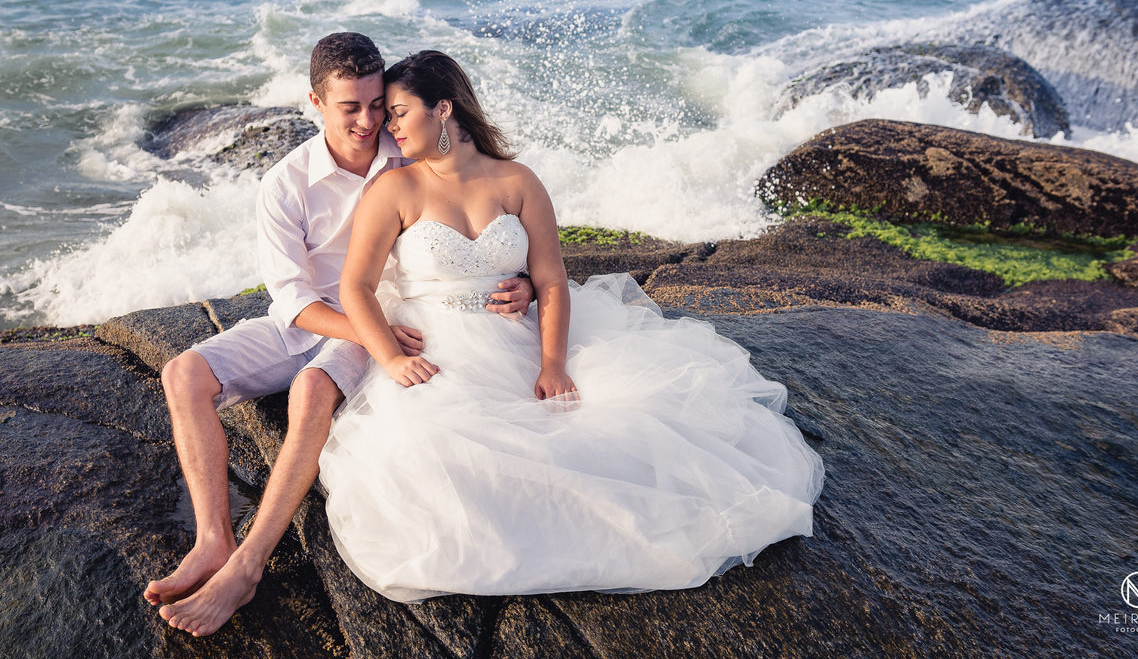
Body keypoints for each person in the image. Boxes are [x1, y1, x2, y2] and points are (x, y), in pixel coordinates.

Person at [321, 50, 824, 602]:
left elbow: (553, 280)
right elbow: (356, 287)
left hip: (520, 333)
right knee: (433, 449)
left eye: (397, 111)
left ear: (442, 109)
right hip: (436, 343)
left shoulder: (517, 180)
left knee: (620, 424)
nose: (386, 126)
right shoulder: (395, 189)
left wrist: (553, 363)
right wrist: (391, 359)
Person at [144, 33, 534, 637]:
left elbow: (485, 208)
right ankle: (214, 540)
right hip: (309, 318)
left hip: (383, 314)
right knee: (182, 374)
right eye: (349, 107)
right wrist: (360, 326)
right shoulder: (284, 183)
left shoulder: (410, 147)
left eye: (376, 104)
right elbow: (291, 299)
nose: (368, 120)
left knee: (311, 390)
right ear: (314, 102)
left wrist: (524, 282)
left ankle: (249, 567)